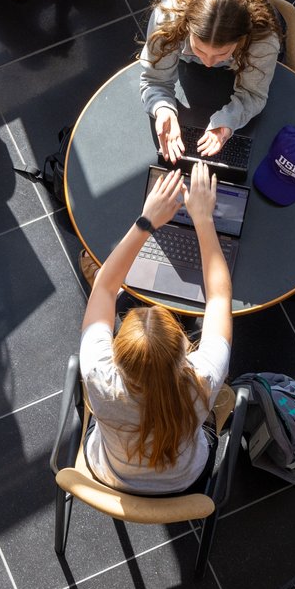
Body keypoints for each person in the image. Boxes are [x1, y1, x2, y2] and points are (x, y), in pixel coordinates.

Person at [77, 164, 234, 494]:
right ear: (184, 351)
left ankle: (113, 298)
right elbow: (220, 297)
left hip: (109, 472)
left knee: (104, 289)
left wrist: (146, 221)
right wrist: (204, 220)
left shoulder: (98, 376)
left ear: (117, 356)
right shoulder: (204, 381)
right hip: (184, 482)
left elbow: (104, 288)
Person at [140, 0, 283, 164]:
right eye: (199, 49)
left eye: (221, 54)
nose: (208, 63)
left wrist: (229, 120)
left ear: (241, 40)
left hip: (255, 41)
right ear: (186, 27)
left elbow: (254, 94)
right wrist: (162, 108)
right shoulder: (166, 20)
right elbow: (154, 80)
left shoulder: (263, 42)